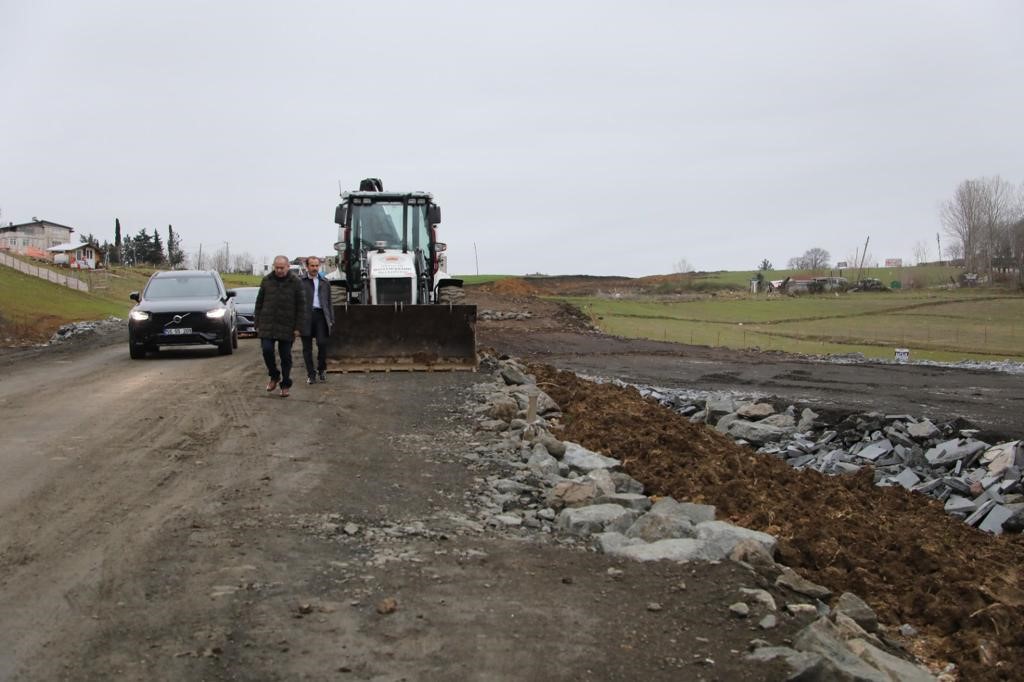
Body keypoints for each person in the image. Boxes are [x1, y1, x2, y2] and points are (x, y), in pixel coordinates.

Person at [254, 255, 306, 397]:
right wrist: (257, 322)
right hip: (267, 324)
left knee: (285, 357)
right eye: (276, 267)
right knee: (266, 350)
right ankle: (274, 376)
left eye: (282, 267)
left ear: (288, 267)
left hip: (287, 325)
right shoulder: (267, 281)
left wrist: (298, 327)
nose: (279, 270)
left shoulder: (296, 282)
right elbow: (259, 303)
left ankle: (285, 384)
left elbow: (302, 307)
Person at [299, 255, 334, 384]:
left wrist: (331, 319)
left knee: (322, 344)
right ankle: (311, 374)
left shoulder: (325, 282)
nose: (314, 268)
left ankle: (321, 369)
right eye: (312, 266)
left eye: (316, 266)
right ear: (307, 267)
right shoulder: (301, 283)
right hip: (306, 317)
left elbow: (329, 302)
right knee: (307, 348)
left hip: (321, 316)